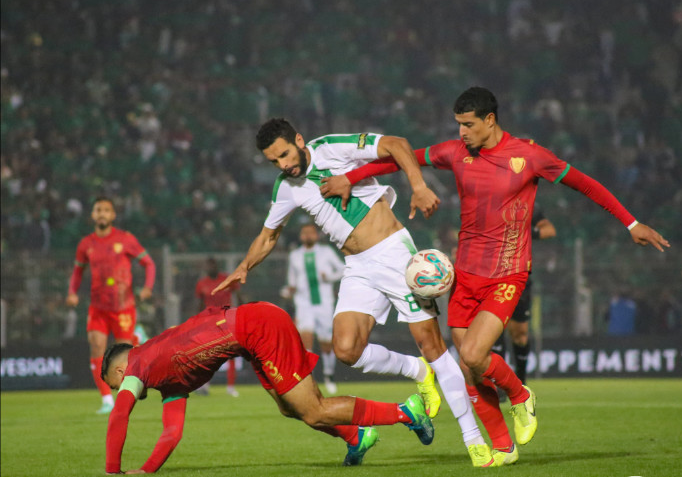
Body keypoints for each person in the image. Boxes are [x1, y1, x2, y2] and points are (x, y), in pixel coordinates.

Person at [321, 86, 670, 465]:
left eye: (468, 125)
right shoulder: (455, 153)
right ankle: (503, 446)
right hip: (464, 275)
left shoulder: (529, 155)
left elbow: (584, 183)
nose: (461, 133)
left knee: (473, 353)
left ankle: (521, 394)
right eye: (457, 125)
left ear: (490, 120)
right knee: (470, 371)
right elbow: (396, 160)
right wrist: (351, 178)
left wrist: (631, 222)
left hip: (508, 273)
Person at [212, 118, 497, 467]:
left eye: (285, 154)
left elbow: (396, 143)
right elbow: (268, 236)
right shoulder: (285, 187)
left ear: (299, 140)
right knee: (346, 349)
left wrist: (418, 186)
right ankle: (417, 372)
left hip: (394, 254)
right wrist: (244, 267)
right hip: (357, 267)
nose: (284, 165)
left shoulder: (331, 148)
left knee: (433, 345)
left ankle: (473, 439)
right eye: (274, 161)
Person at [101, 301, 434, 473]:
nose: (121, 390)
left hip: (256, 327)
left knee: (313, 409)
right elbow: (172, 433)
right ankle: (356, 436)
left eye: (116, 384)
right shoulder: (166, 379)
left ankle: (406, 412)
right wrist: (146, 470)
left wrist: (112, 472)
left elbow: (119, 415)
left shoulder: (139, 364)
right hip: (250, 336)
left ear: (120, 369)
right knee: (290, 408)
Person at [66, 196, 156, 414]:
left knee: (123, 354)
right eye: (99, 210)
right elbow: (78, 271)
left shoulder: (125, 239)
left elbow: (148, 263)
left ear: (113, 215)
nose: (102, 214)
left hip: (123, 306)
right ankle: (107, 399)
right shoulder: (86, 244)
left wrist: (147, 287)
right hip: (98, 308)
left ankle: (135, 339)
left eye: (106, 210)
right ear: (93, 215)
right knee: (96, 347)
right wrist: (72, 292)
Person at [492, 206, 556, 393]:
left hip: (520, 277)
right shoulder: (489, 204)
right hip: (493, 276)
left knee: (519, 333)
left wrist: (526, 231)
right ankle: (499, 383)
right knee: (495, 330)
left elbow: (550, 230)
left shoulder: (524, 207)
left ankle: (520, 379)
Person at [283, 223, 344, 395]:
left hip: (324, 303)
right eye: (304, 233)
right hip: (303, 303)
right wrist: (289, 290)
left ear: (316, 235)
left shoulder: (326, 252)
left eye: (310, 233)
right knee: (306, 339)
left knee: (326, 343)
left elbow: (343, 269)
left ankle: (329, 375)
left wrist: (329, 277)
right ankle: (308, 380)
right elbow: (292, 281)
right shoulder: (294, 256)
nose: (307, 236)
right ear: (301, 236)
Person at [194, 256, 245, 396]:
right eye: (208, 266)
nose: (210, 268)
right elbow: (199, 304)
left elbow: (238, 295)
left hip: (226, 320)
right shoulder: (201, 284)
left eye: (212, 265)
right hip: (209, 322)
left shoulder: (227, 279)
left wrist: (244, 311)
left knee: (232, 353)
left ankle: (230, 387)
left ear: (217, 266)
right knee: (206, 354)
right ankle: (204, 385)